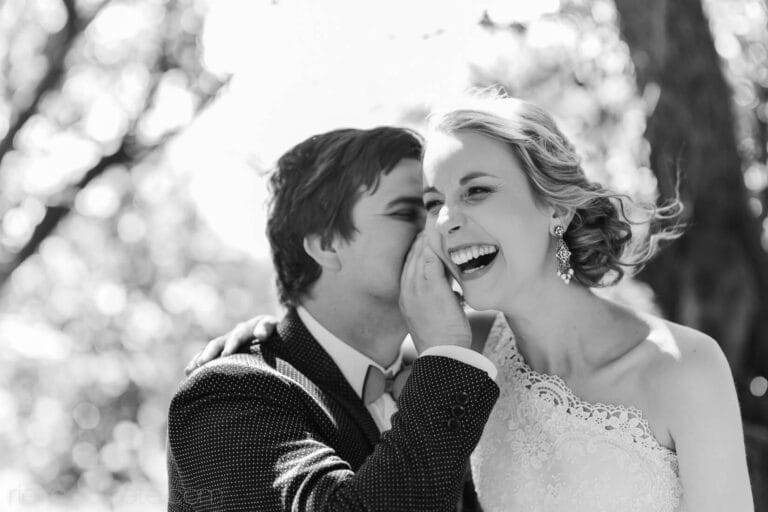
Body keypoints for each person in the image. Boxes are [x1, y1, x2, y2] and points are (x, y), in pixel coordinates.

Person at [193, 95, 755, 511]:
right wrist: (264, 335)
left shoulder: (684, 367)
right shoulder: (456, 360)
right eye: (427, 204)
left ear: (555, 207)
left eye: (477, 190)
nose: (441, 224)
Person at [166, 126, 500, 512]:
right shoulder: (226, 394)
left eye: (433, 208)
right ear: (326, 244)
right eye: (408, 212)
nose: (440, 227)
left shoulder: (436, 383)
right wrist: (445, 357)